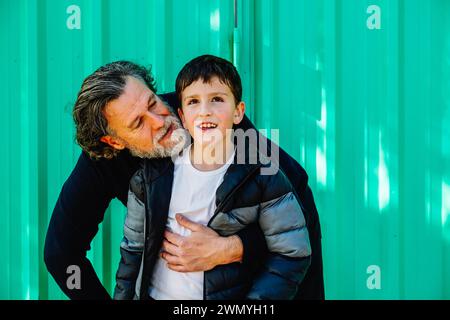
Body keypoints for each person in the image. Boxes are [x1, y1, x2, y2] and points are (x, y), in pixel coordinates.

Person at [44, 60, 325, 300]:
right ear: (114, 141)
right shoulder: (103, 162)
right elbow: (61, 253)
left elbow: (297, 210)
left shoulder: (201, 112)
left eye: (154, 102)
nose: (159, 120)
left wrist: (233, 248)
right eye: (138, 123)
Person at [114, 55, 311, 300]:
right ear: (182, 117)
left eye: (217, 99)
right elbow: (131, 252)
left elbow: (292, 253)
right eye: (194, 101)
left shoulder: (263, 175)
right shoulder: (150, 176)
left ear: (238, 112)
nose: (205, 111)